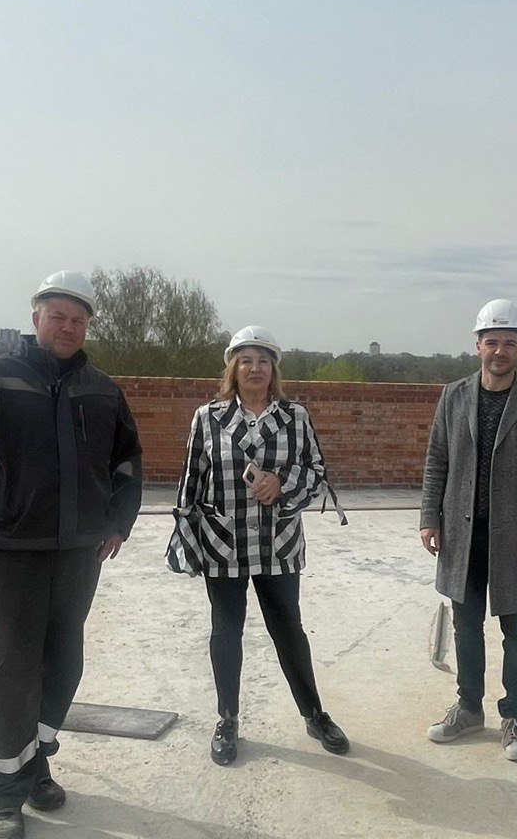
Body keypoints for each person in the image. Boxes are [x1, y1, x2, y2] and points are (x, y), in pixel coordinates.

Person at [0, 270, 143, 839]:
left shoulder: (102, 390)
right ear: (36, 318)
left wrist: (118, 523)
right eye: (58, 316)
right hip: (8, 552)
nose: (68, 327)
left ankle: (33, 767)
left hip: (77, 554)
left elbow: (128, 462)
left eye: (78, 320)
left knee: (63, 665)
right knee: (8, 672)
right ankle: (1, 797)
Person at [167, 324, 349, 766]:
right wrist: (186, 540)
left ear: (274, 369)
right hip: (222, 543)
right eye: (245, 360)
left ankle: (314, 714)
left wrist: (281, 483)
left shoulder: (295, 417)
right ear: (232, 368)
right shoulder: (207, 418)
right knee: (226, 633)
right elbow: (191, 481)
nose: (255, 368)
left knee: (289, 631)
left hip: (277, 543)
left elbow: (317, 473)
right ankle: (227, 720)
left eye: (263, 360)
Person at [420, 298, 517, 761]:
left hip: (516, 536)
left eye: (509, 342)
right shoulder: (453, 396)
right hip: (462, 535)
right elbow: (437, 460)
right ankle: (468, 708)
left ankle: (514, 715)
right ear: (478, 345)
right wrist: (429, 516)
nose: (500, 351)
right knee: (466, 626)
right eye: (492, 341)